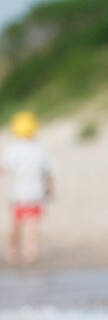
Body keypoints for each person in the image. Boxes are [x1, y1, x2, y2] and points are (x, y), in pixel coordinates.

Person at [1, 111, 54, 265]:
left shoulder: (14, 149)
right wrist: (50, 188)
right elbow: (47, 172)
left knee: (17, 224)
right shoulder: (39, 149)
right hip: (35, 193)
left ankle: (13, 251)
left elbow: (3, 168)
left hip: (18, 194)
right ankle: (31, 252)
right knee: (32, 224)